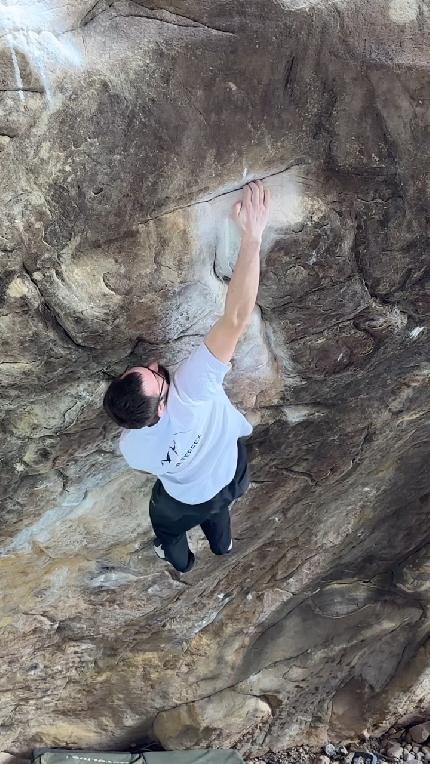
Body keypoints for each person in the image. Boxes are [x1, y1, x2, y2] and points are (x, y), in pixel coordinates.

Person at [103, 181, 271, 572]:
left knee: (168, 527)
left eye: (144, 368)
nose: (157, 364)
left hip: (187, 496)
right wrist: (253, 237)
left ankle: (179, 561)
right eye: (157, 374)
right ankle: (222, 544)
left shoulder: (132, 449)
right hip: (232, 475)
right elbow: (236, 318)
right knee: (219, 505)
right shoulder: (192, 390)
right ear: (163, 403)